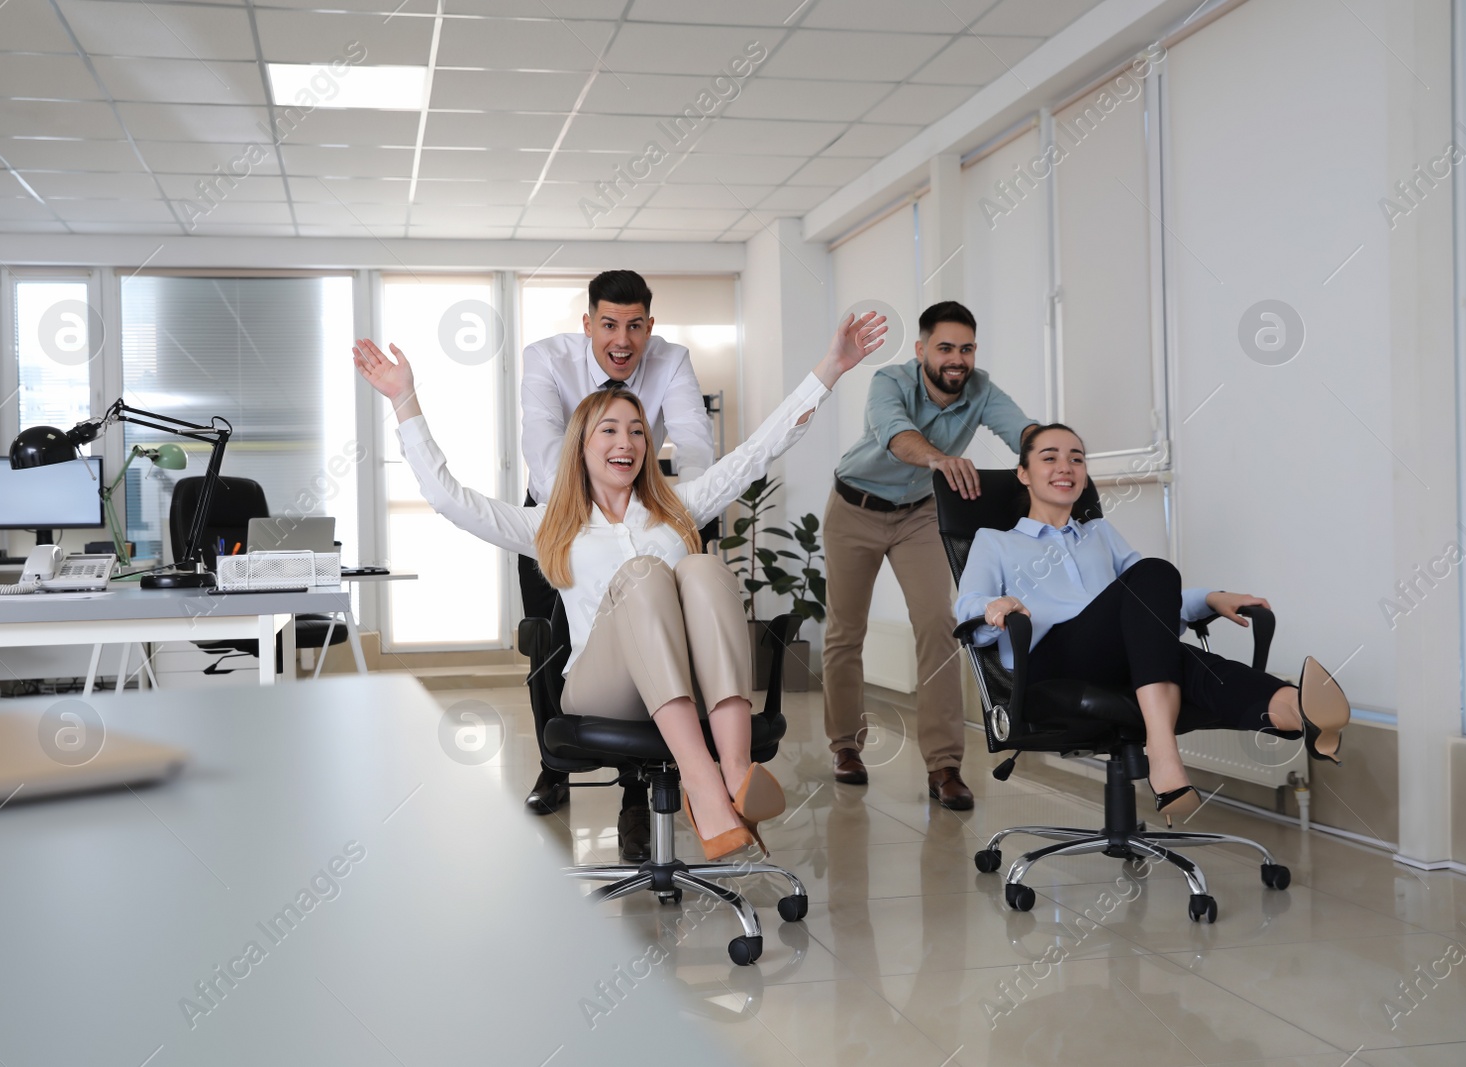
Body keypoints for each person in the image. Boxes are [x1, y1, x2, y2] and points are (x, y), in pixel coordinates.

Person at [354, 311, 888, 860]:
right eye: (608, 429)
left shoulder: (676, 509)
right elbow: (449, 498)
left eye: (637, 431)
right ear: (580, 445)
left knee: (702, 567)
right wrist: (403, 401)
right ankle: (700, 781)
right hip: (600, 688)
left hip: (687, 680)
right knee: (644, 574)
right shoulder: (548, 525)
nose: (626, 441)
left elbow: (757, 453)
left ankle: (733, 772)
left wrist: (830, 369)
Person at [953, 424, 1351, 822]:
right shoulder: (995, 541)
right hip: (1051, 661)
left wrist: (1211, 598)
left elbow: (1149, 605)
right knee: (1156, 582)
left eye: (1077, 459)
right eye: (1050, 457)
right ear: (1023, 473)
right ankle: (1165, 754)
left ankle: (1295, 710)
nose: (1066, 467)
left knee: (1172, 635)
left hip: (1119, 657)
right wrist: (996, 605)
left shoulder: (1100, 533)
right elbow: (968, 606)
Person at [518, 270, 716, 863]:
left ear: (650, 327)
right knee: (550, 640)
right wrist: (591, 506)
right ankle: (555, 767)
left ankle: (639, 795)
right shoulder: (545, 359)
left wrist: (666, 506)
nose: (622, 340)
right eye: (609, 325)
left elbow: (697, 446)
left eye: (635, 326)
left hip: (636, 504)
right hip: (554, 510)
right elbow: (543, 445)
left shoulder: (672, 361)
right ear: (588, 324)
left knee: (647, 635)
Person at [822, 300, 1038, 808]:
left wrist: (1049, 448)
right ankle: (845, 747)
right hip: (854, 507)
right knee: (846, 630)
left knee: (940, 625)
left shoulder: (980, 388)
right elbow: (896, 436)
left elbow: (1021, 430)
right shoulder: (889, 382)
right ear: (922, 350)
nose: (956, 359)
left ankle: (944, 765)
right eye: (945, 348)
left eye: (965, 348)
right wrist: (939, 459)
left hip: (919, 513)